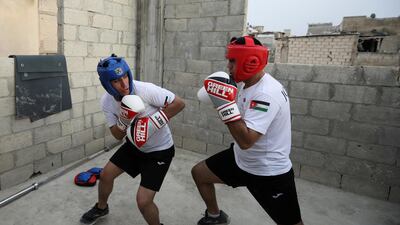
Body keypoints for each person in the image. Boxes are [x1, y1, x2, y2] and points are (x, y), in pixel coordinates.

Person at [192, 36, 303, 225]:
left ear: (250, 62)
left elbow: (246, 141)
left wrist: (225, 106)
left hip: (268, 172)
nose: (228, 66)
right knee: (199, 173)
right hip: (241, 160)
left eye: (232, 61)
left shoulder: (266, 94)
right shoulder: (246, 83)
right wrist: (222, 100)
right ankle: (215, 217)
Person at [80, 54, 185, 225]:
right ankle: (101, 208)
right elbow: (117, 135)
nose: (124, 84)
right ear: (107, 84)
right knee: (106, 175)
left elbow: (179, 103)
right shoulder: (107, 102)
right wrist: (124, 120)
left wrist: (152, 123)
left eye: (124, 76)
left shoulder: (145, 89)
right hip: (134, 146)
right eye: (116, 81)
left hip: (160, 151)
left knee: (143, 201)